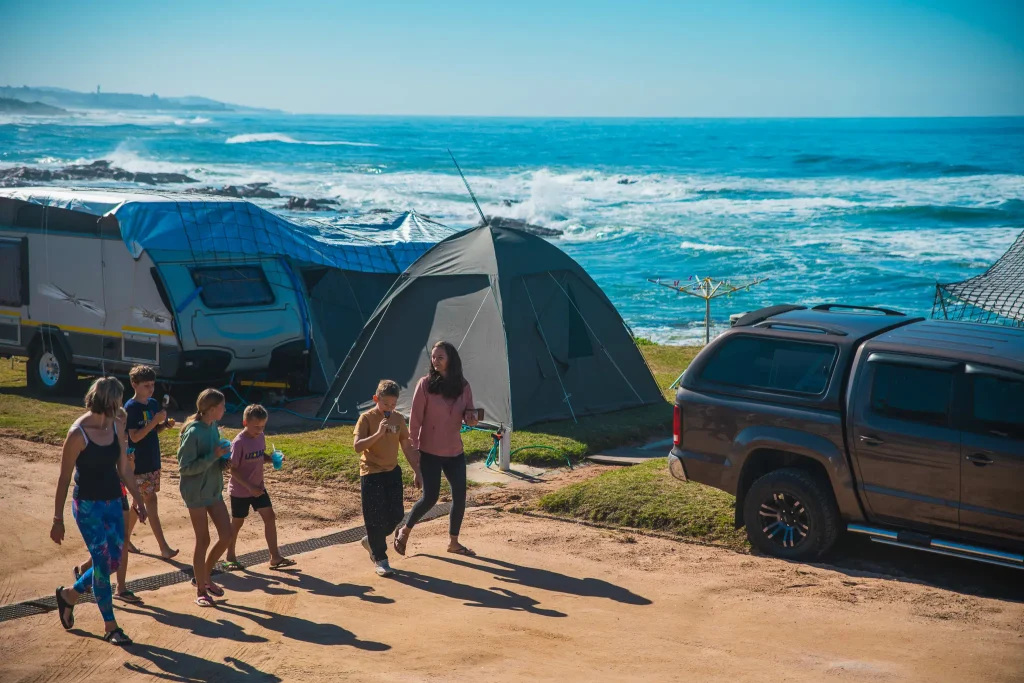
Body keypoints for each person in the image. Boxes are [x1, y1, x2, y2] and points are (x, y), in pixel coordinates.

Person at [50, 376, 149, 646]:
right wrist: (57, 519)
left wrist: (138, 501)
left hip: (113, 501)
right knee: (103, 563)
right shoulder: (78, 433)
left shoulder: (116, 425)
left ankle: (70, 594)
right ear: (107, 401)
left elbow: (124, 469)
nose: (120, 407)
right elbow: (63, 478)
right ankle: (110, 626)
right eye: (117, 402)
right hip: (88, 506)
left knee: (115, 558)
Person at [394, 341, 478, 558]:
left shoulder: (464, 386)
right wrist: (415, 459)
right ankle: (404, 531)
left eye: (440, 357)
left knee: (460, 496)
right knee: (430, 498)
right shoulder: (425, 384)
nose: (435, 361)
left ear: (451, 359)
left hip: (455, 453)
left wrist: (472, 418)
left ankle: (454, 542)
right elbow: (415, 421)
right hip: (429, 452)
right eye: (433, 357)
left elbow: (471, 415)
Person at [353, 380, 419, 577]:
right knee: (375, 517)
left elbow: (406, 446)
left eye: (393, 405)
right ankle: (380, 559)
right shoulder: (366, 418)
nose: (389, 408)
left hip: (392, 471)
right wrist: (379, 433)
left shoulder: (398, 419)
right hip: (371, 472)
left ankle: (372, 540)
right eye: (385, 404)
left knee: (397, 514)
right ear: (376, 399)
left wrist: (418, 470)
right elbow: (357, 447)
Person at [222, 404, 295, 572]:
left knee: (270, 517)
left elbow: (260, 455)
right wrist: (250, 487)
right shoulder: (239, 442)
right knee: (237, 523)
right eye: (256, 426)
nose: (259, 429)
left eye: (262, 426)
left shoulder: (261, 436)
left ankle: (275, 557)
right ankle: (230, 556)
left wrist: (274, 459)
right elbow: (232, 469)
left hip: (258, 487)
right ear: (245, 422)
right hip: (240, 490)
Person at [176, 388, 232, 607]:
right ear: (211, 409)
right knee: (204, 540)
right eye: (222, 407)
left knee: (227, 535)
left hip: (213, 489)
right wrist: (214, 456)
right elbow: (185, 467)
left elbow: (213, 457)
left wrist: (222, 462)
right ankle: (201, 589)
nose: (225, 410)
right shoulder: (193, 431)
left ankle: (205, 577)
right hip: (195, 492)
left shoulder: (213, 426)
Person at [123, 365, 178, 560]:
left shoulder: (153, 404)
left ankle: (123, 539)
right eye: (146, 385)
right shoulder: (130, 408)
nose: (151, 389)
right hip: (139, 464)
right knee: (150, 501)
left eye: (153, 385)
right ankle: (163, 547)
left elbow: (153, 432)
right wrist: (155, 422)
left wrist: (164, 425)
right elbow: (135, 438)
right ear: (134, 384)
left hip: (153, 461)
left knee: (138, 502)